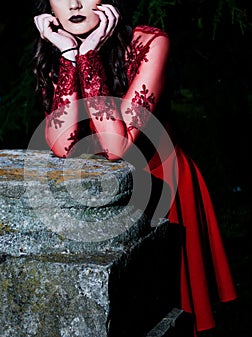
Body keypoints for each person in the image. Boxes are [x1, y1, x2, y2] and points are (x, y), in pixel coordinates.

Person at [33, 0, 237, 334]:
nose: (73, 4)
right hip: (104, 191)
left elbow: (118, 148)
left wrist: (90, 58)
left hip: (162, 185)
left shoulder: (150, 43)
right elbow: (65, 145)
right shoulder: (58, 51)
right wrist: (72, 57)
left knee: (170, 316)